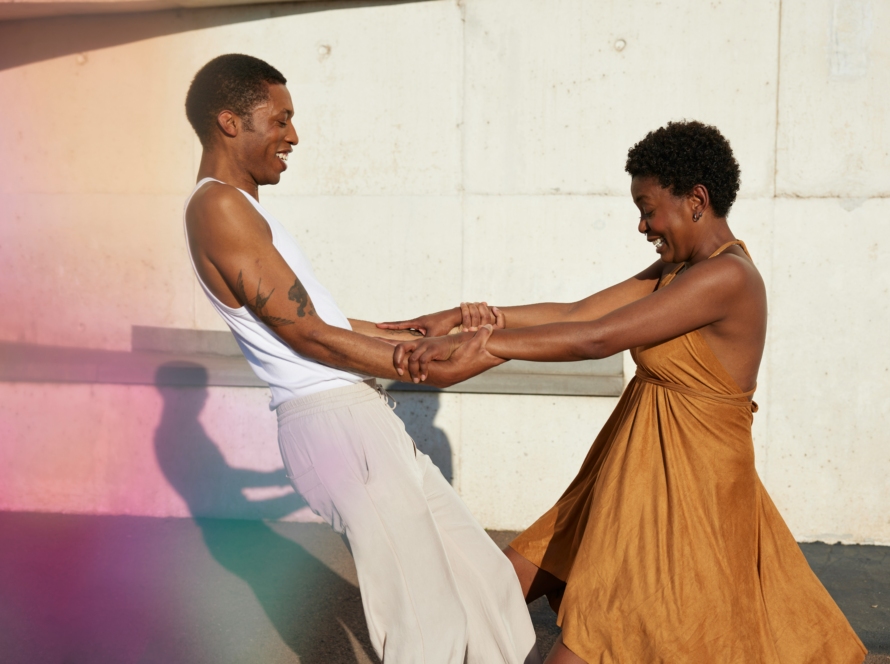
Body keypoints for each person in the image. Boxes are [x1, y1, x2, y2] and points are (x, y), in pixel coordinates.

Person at [382, 121, 867, 663]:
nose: (642, 225)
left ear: (697, 200)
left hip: (688, 496)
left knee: (602, 637)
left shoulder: (728, 278)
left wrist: (487, 344)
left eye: (649, 207)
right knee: (495, 586)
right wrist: (464, 317)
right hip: (629, 475)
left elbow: (599, 337)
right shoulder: (679, 269)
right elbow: (578, 313)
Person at [182, 53, 539, 664]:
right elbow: (305, 334)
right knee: (427, 628)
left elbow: (325, 322)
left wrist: (431, 327)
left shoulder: (249, 211)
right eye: (281, 119)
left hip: (359, 417)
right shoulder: (217, 206)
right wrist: (414, 360)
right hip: (333, 421)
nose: (293, 135)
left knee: (487, 584)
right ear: (230, 122)